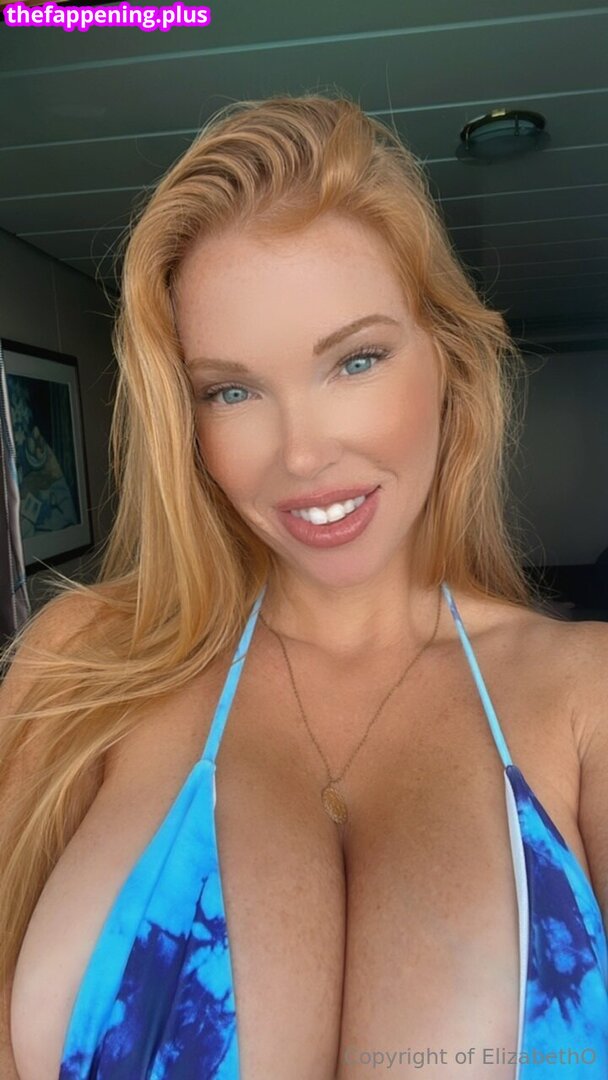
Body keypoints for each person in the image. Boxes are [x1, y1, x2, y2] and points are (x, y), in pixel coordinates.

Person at [1, 92, 607, 1080]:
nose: (301, 455)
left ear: (448, 361)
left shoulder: (586, 696)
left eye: (355, 360)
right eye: (232, 390)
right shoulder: (80, 663)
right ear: (187, 422)